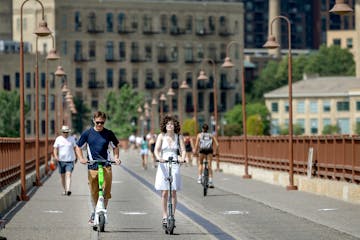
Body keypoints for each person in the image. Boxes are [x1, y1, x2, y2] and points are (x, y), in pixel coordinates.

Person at [75, 111, 121, 225]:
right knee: (94, 191)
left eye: (102, 123)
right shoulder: (88, 133)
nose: (100, 125)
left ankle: (103, 211)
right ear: (93, 121)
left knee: (106, 191)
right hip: (93, 165)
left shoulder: (109, 133)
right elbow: (78, 147)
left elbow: (115, 147)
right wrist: (81, 158)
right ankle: (95, 211)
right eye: (98, 122)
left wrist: (116, 157)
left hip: (106, 165)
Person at [154, 115, 185, 227]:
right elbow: (156, 150)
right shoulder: (161, 136)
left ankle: (172, 215)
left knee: (174, 191)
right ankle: (164, 216)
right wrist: (159, 158)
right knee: (165, 191)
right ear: (165, 126)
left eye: (171, 124)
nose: (170, 126)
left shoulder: (178, 137)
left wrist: (182, 158)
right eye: (167, 124)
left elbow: (183, 150)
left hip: (175, 163)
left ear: (174, 125)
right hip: (164, 163)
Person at [53, 125, 77, 196]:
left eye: (66, 132)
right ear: (62, 132)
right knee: (62, 176)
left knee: (68, 174)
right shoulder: (58, 139)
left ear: (68, 132)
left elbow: (75, 148)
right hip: (61, 160)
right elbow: (55, 148)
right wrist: (56, 156)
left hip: (70, 160)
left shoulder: (72, 139)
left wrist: (77, 157)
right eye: (64, 132)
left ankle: (68, 189)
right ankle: (65, 190)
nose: (65, 133)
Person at [194, 123, 219, 188]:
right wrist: (216, 152)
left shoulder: (199, 135)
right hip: (209, 151)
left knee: (201, 163)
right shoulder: (211, 135)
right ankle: (210, 181)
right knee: (209, 165)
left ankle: (199, 178)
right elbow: (217, 144)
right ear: (208, 129)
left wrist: (195, 152)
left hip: (202, 150)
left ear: (202, 129)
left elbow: (196, 145)